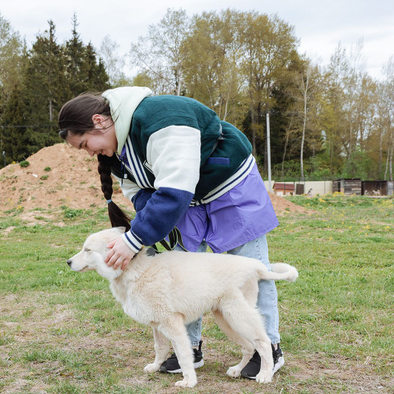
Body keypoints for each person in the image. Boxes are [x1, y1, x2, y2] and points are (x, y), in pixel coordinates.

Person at [58, 86, 284, 380]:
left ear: (99, 121)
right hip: (184, 197)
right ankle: (188, 348)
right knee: (180, 267)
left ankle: (268, 347)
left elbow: (175, 188)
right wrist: (149, 223)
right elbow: (139, 193)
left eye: (85, 144)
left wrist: (134, 240)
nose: (88, 153)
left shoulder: (161, 119)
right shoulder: (114, 151)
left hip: (229, 182)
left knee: (250, 265)